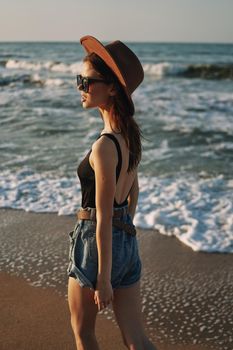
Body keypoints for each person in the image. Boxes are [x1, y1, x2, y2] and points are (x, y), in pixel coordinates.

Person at [67, 35, 157, 350]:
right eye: (80, 79)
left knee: (84, 334)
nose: (80, 87)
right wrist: (127, 227)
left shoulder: (105, 145)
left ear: (113, 88)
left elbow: (103, 216)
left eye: (87, 81)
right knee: (137, 340)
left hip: (96, 245)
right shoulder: (130, 137)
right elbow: (133, 192)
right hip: (126, 243)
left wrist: (104, 279)